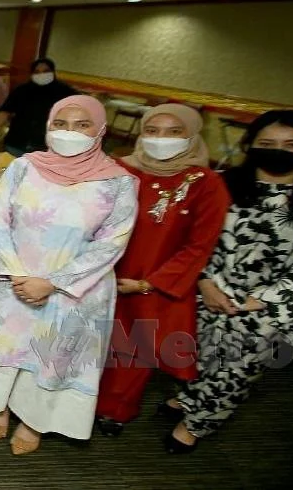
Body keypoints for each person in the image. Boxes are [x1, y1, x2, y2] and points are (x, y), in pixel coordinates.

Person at [0, 95, 138, 454]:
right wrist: (14, 273)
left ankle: (34, 420)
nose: (70, 132)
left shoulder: (118, 182)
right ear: (49, 126)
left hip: (74, 289)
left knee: (53, 357)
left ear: (100, 129)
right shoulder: (24, 166)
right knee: (2, 344)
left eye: (82, 125)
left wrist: (52, 283)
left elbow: (112, 242)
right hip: (10, 277)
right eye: (60, 124)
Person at [163, 110, 293, 453]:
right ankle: (187, 398)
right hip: (206, 292)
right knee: (193, 355)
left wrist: (254, 302)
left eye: (292, 145)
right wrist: (205, 283)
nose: (279, 151)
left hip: (270, 309)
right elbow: (192, 240)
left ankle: (196, 424)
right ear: (249, 145)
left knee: (234, 371)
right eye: (267, 143)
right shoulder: (217, 185)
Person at [93, 104, 230, 437]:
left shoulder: (206, 184)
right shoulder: (119, 169)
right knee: (88, 340)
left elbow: (199, 246)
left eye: (174, 132)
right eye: (152, 131)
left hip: (152, 283)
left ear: (192, 136)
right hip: (101, 272)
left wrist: (147, 284)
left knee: (132, 349)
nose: (161, 139)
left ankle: (114, 409)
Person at [0, 58, 77, 156]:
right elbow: (5, 112)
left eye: (46, 71)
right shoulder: (22, 90)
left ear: (53, 72)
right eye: (37, 72)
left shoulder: (65, 92)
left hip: (46, 148)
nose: (41, 74)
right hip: (16, 143)